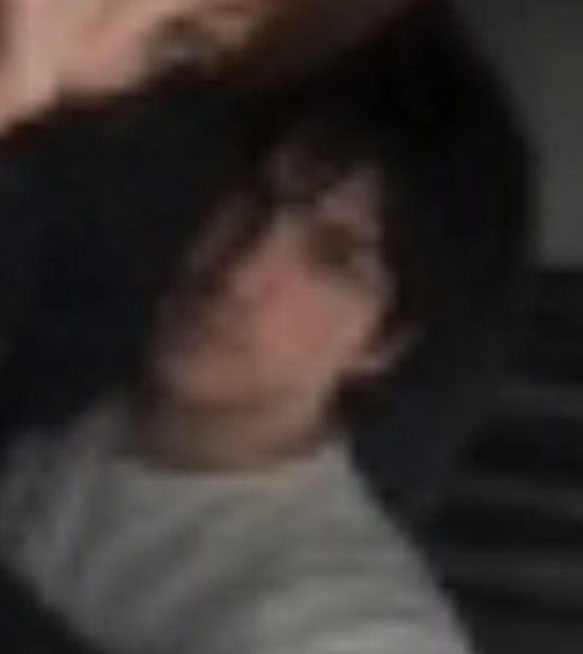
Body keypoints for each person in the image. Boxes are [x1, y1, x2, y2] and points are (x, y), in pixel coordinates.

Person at [0, 1, 530, 653]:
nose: (242, 269)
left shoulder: (344, 623)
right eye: (252, 198)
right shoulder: (60, 376)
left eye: (334, 258)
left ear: (383, 341)